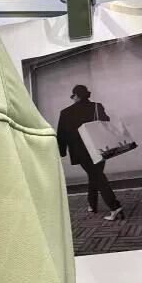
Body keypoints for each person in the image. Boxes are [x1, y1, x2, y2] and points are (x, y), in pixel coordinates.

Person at [56, 84, 124, 220]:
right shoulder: (97, 107)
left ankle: (115, 207)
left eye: (73, 96)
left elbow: (62, 135)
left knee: (97, 176)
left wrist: (62, 152)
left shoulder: (66, 112)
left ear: (76, 96)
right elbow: (106, 122)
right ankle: (92, 205)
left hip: (80, 151)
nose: (72, 98)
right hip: (99, 148)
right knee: (95, 175)